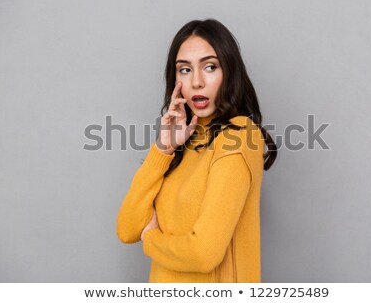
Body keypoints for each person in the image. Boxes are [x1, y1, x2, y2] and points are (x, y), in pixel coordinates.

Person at [117, 18, 277, 283]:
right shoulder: (184, 139)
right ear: (175, 78)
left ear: (230, 72)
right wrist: (163, 149)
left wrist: (151, 237)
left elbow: (204, 254)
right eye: (185, 70)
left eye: (210, 67)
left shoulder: (239, 137)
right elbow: (126, 228)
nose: (197, 82)